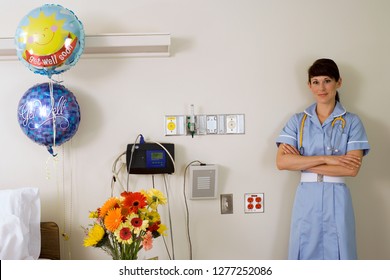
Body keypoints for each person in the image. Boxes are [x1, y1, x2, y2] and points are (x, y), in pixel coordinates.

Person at [275, 58, 370, 260]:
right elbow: (282, 162)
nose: (321, 87)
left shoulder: (352, 122)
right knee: (304, 254)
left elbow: (351, 169)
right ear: (309, 85)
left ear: (338, 82)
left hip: (338, 197)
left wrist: (301, 161)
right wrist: (329, 159)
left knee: (340, 253)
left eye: (327, 80)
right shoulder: (297, 121)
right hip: (306, 199)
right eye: (316, 82)